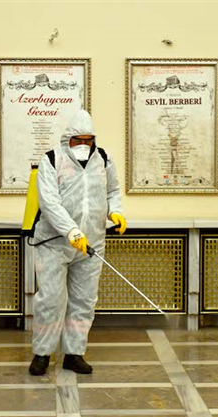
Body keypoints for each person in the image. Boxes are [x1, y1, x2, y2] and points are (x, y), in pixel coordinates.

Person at [29, 109, 126, 376]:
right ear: (67, 139)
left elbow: (113, 190)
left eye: (88, 140)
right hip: (54, 243)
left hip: (92, 243)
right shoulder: (52, 159)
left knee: (84, 300)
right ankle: (42, 354)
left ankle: (74, 353)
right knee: (51, 299)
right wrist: (71, 231)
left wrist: (115, 212)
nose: (83, 145)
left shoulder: (103, 158)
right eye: (78, 140)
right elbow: (49, 202)